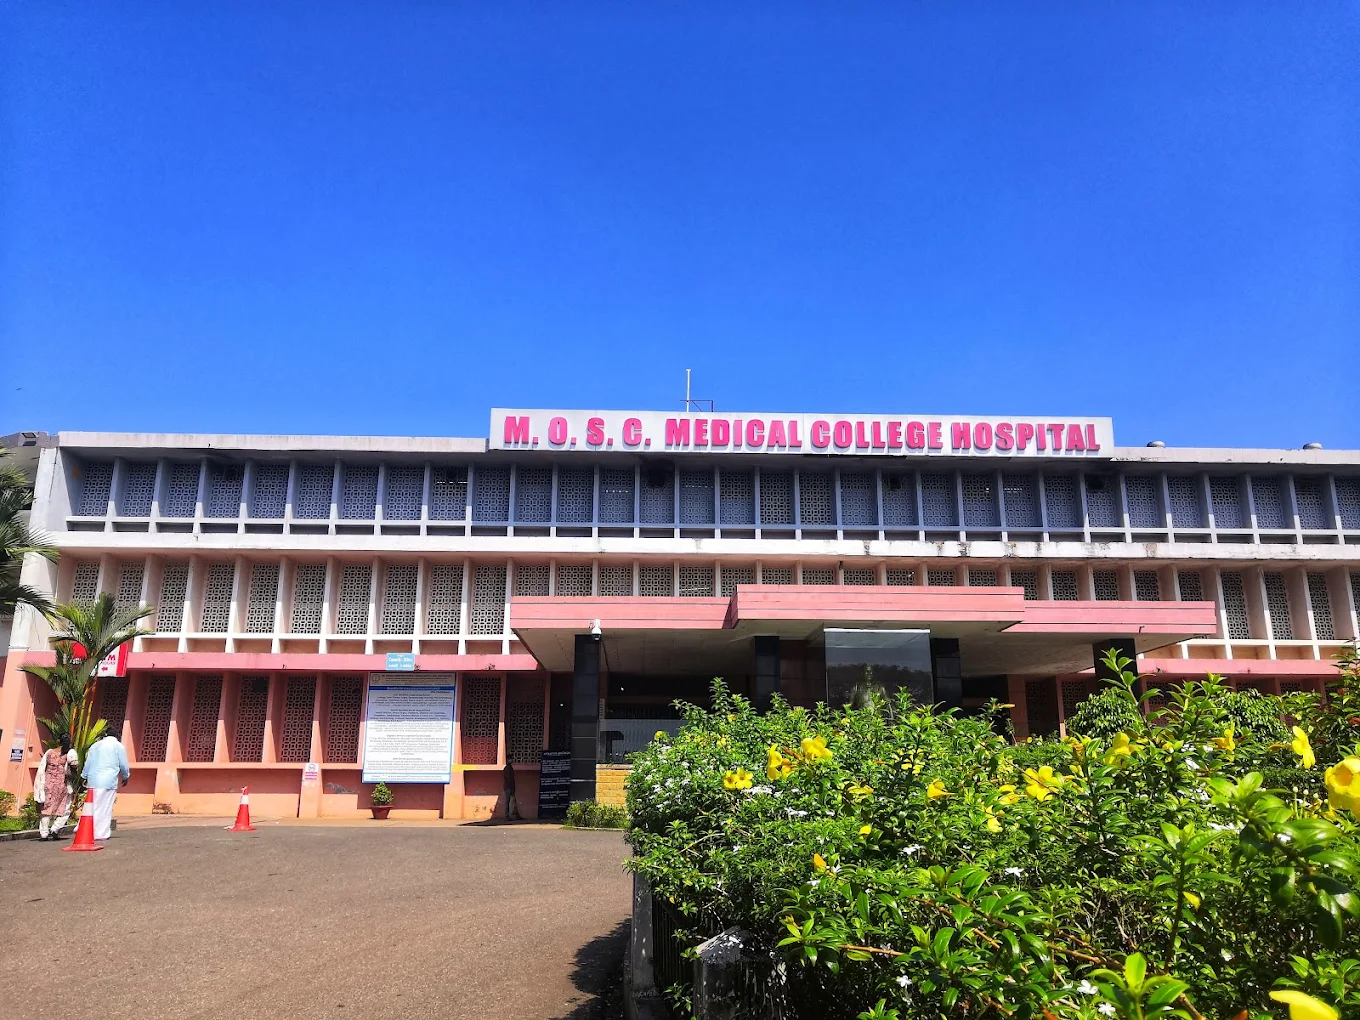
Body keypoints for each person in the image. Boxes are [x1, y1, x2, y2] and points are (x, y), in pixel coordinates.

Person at [82, 730, 130, 841]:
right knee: (104, 807)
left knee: (91, 807)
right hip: (108, 780)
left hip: (93, 780)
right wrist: (126, 776)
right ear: (118, 736)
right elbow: (123, 764)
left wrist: (84, 776)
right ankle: (100, 833)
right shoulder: (118, 746)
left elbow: (88, 762)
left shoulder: (95, 745)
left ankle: (85, 829)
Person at [35, 734, 79, 840]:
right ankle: (55, 829)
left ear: (58, 740)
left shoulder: (49, 752)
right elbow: (74, 767)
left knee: (46, 809)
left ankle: (44, 833)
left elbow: (42, 768)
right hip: (62, 785)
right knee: (65, 808)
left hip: (48, 784)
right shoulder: (69, 753)